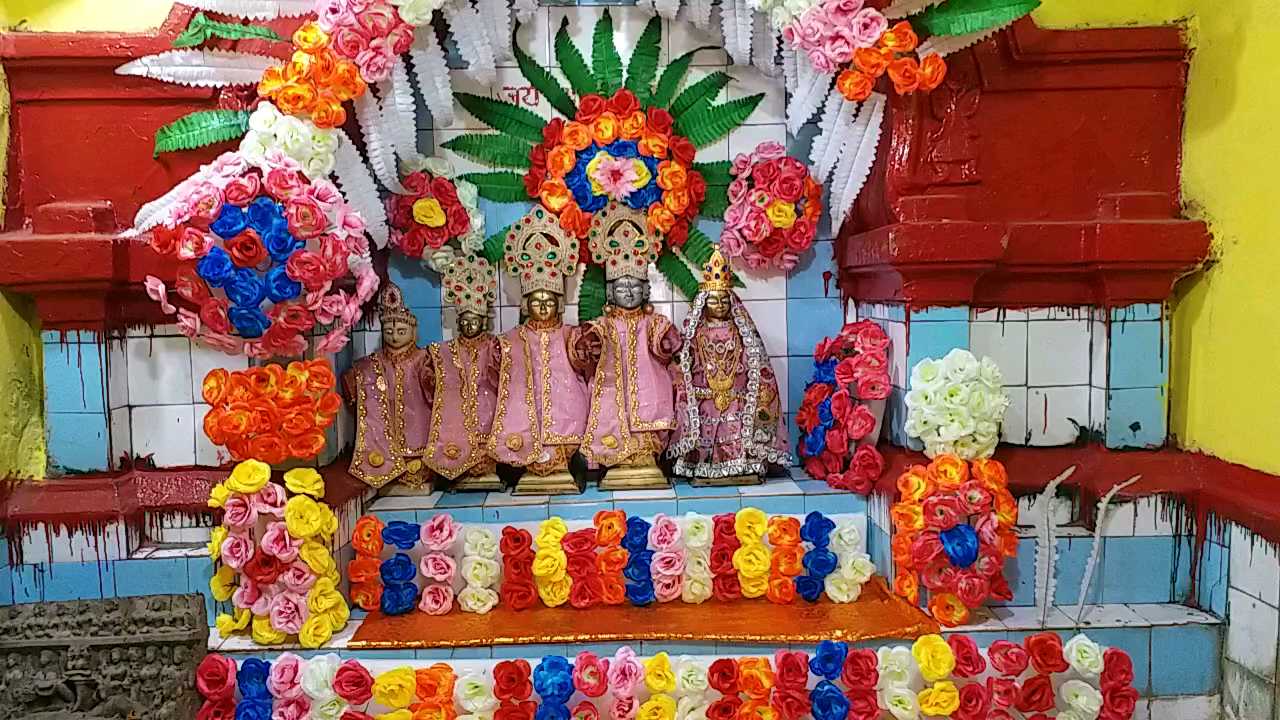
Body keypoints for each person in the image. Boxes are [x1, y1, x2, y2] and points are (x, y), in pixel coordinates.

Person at [571, 202, 682, 489]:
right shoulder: (604, 324)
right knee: (612, 422)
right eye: (621, 287)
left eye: (635, 286)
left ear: (646, 289)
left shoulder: (652, 321)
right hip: (612, 392)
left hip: (650, 389)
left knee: (648, 429)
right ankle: (618, 463)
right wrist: (591, 343)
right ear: (610, 291)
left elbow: (665, 341)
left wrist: (668, 340)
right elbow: (586, 342)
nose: (629, 292)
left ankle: (646, 460)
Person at [668, 247, 790, 484]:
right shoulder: (697, 333)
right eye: (713, 300)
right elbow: (687, 367)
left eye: (725, 300)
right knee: (706, 430)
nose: (720, 305)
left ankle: (741, 467)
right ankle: (705, 466)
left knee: (736, 429)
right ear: (704, 304)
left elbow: (752, 364)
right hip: (706, 399)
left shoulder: (740, 332)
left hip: (735, 399)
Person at [489, 207, 589, 493]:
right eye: (536, 301)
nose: (543, 306)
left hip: (568, 418)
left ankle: (561, 467)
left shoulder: (573, 335)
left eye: (548, 300)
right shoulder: (510, 341)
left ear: (558, 302)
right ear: (525, 304)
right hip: (526, 424)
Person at [422, 253, 501, 490]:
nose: (469, 325)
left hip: (489, 411)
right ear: (458, 322)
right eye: (465, 321)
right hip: (459, 417)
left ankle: (486, 471)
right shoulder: (445, 351)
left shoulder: (494, 346)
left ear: (483, 320)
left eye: (474, 320)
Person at [342, 282, 432, 488]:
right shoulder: (372, 363)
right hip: (383, 437)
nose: (394, 336)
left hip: (418, 431)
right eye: (388, 330)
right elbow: (353, 378)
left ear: (413, 332)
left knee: (417, 466)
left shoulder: (423, 358)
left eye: (401, 331)